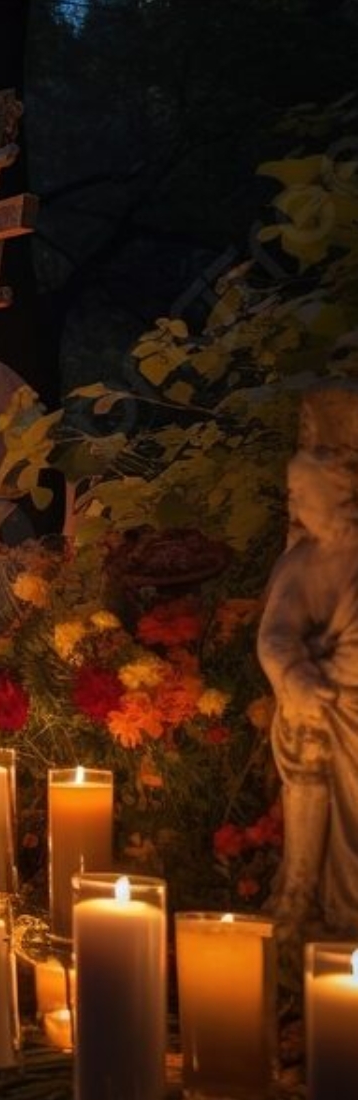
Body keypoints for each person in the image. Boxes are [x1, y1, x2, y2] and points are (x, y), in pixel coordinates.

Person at [259, 397, 358, 936]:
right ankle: (304, 890)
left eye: (303, 493)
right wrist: (294, 676)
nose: (296, 503)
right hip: (323, 702)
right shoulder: (305, 563)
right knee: (305, 739)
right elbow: (275, 635)